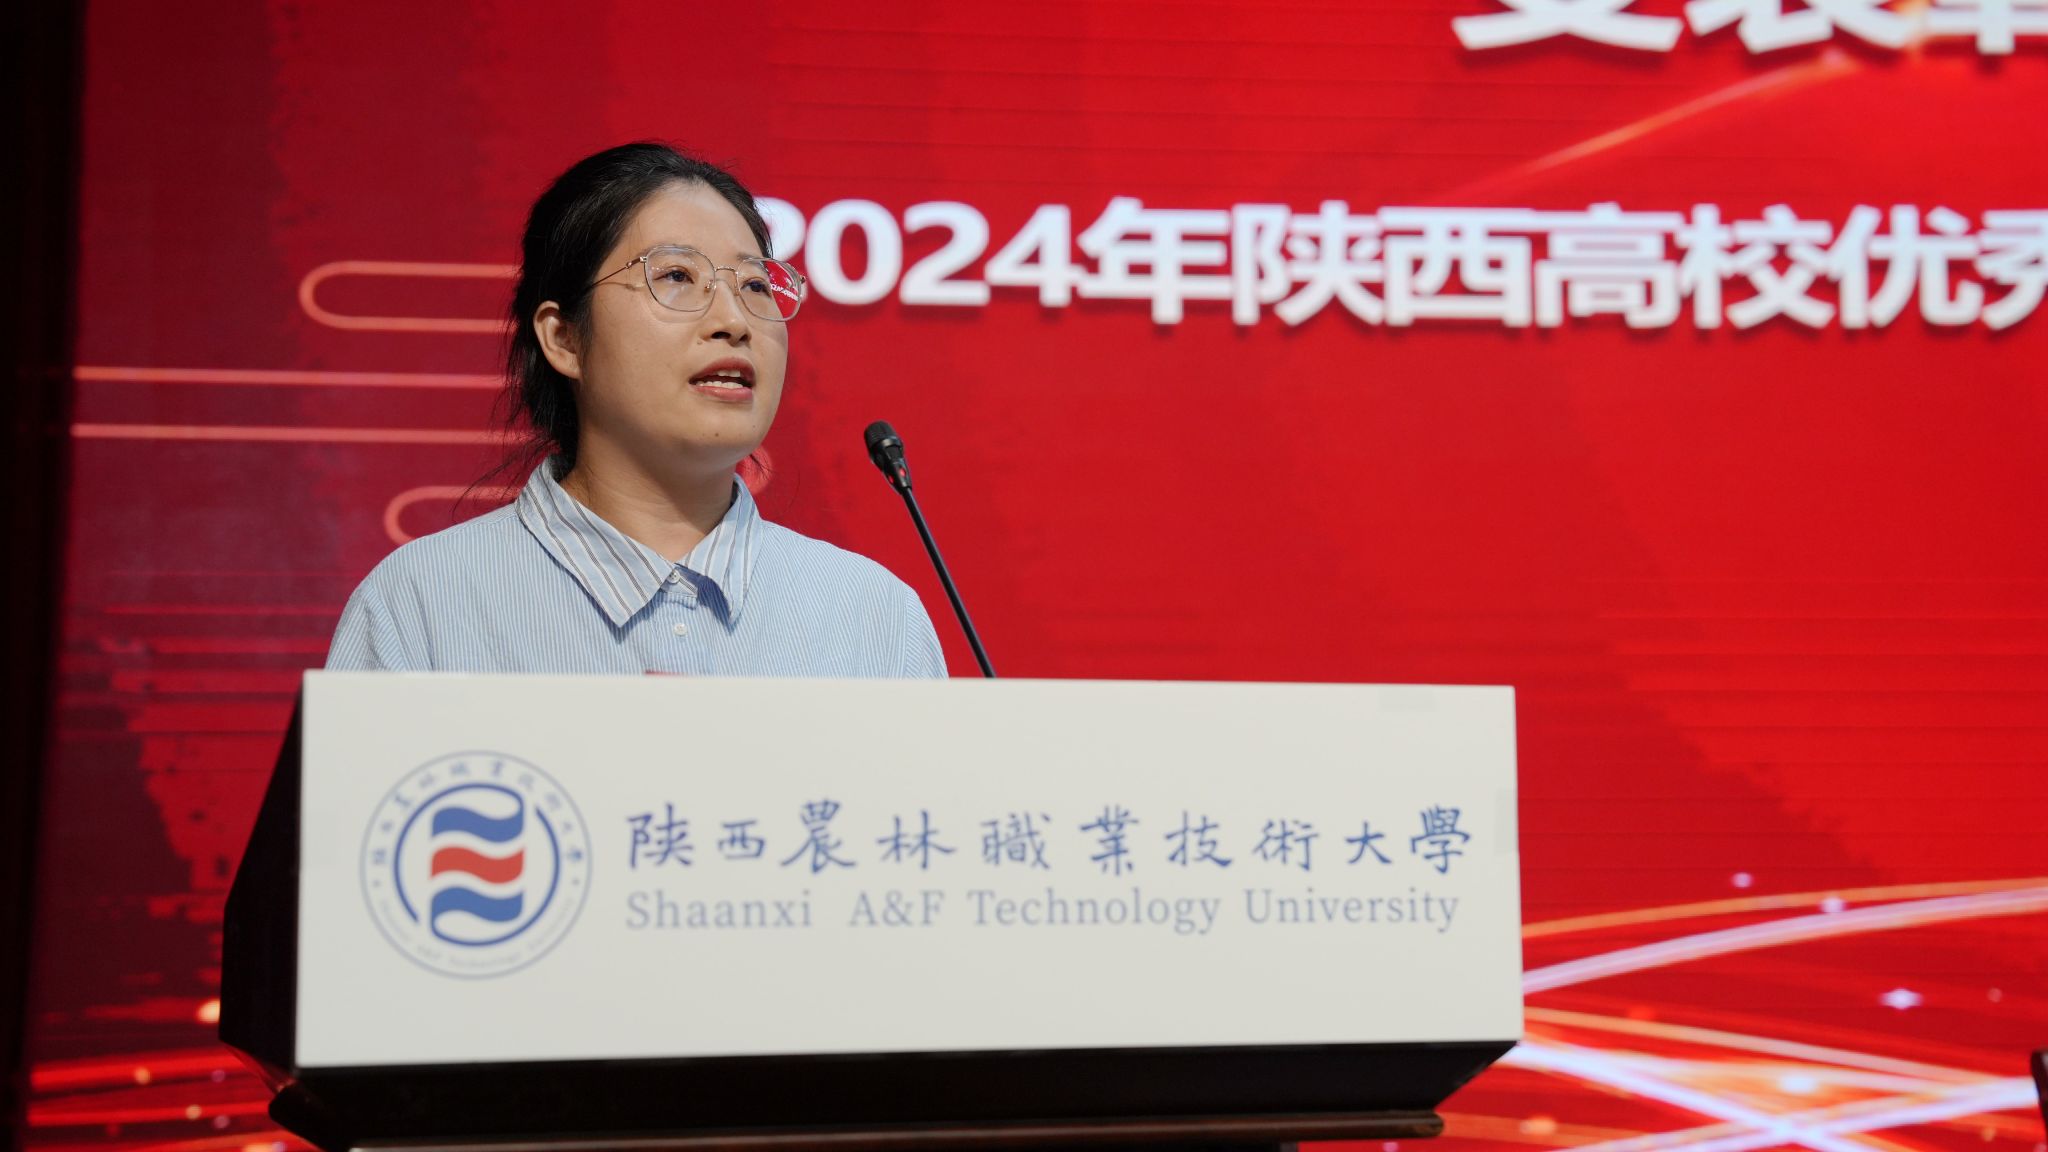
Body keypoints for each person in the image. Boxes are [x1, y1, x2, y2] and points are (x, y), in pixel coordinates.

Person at [325, 142, 946, 676]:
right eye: (675, 276)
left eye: (756, 284)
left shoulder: (873, 618)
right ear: (565, 338)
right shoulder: (422, 606)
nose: (733, 321)